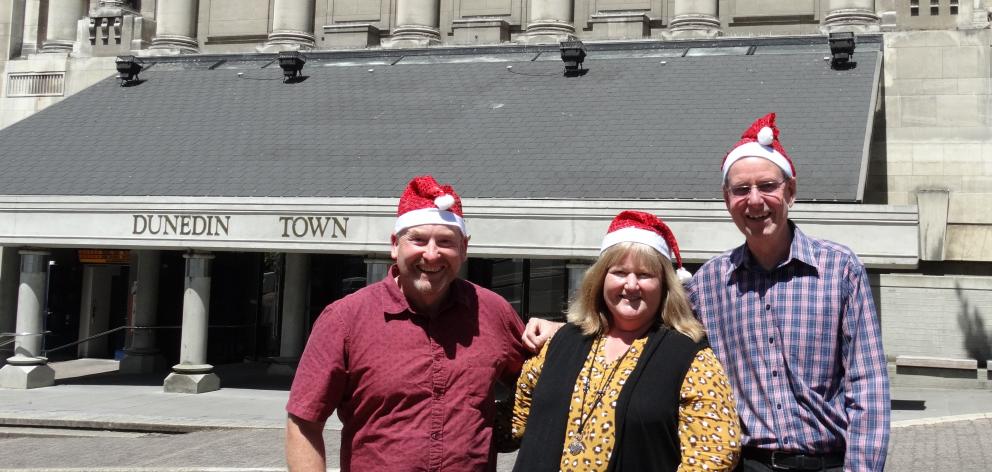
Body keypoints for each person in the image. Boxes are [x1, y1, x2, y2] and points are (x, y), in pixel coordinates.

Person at [524, 114, 890, 472]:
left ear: (790, 191)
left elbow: (867, 384)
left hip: (827, 461)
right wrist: (563, 332)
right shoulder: (710, 281)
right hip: (748, 463)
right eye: (741, 190)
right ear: (727, 198)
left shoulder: (839, 269)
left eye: (767, 186)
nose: (755, 200)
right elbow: (641, 318)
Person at [285, 175, 530, 472]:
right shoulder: (345, 319)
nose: (431, 254)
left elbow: (544, 375)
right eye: (418, 240)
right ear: (394, 245)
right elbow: (304, 421)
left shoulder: (493, 312)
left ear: (464, 249)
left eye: (445, 242)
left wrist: (557, 331)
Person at [511, 210, 740, 472]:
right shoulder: (561, 342)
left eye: (645, 275)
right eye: (619, 272)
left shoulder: (691, 358)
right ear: (600, 280)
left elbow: (715, 453)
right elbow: (515, 420)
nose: (631, 285)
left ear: (665, 285)